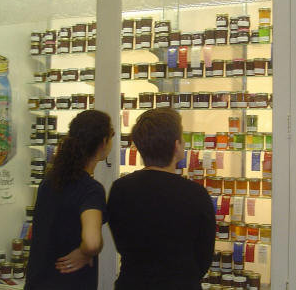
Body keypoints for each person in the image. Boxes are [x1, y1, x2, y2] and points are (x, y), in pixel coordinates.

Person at [108, 108, 215, 290]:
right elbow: (204, 257)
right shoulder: (196, 194)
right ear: (176, 146)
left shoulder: (120, 188)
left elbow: (121, 242)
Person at [25, 110, 114, 290]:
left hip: (38, 281)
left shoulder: (49, 182)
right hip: (70, 281)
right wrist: (85, 252)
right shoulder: (91, 189)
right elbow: (92, 241)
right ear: (104, 142)